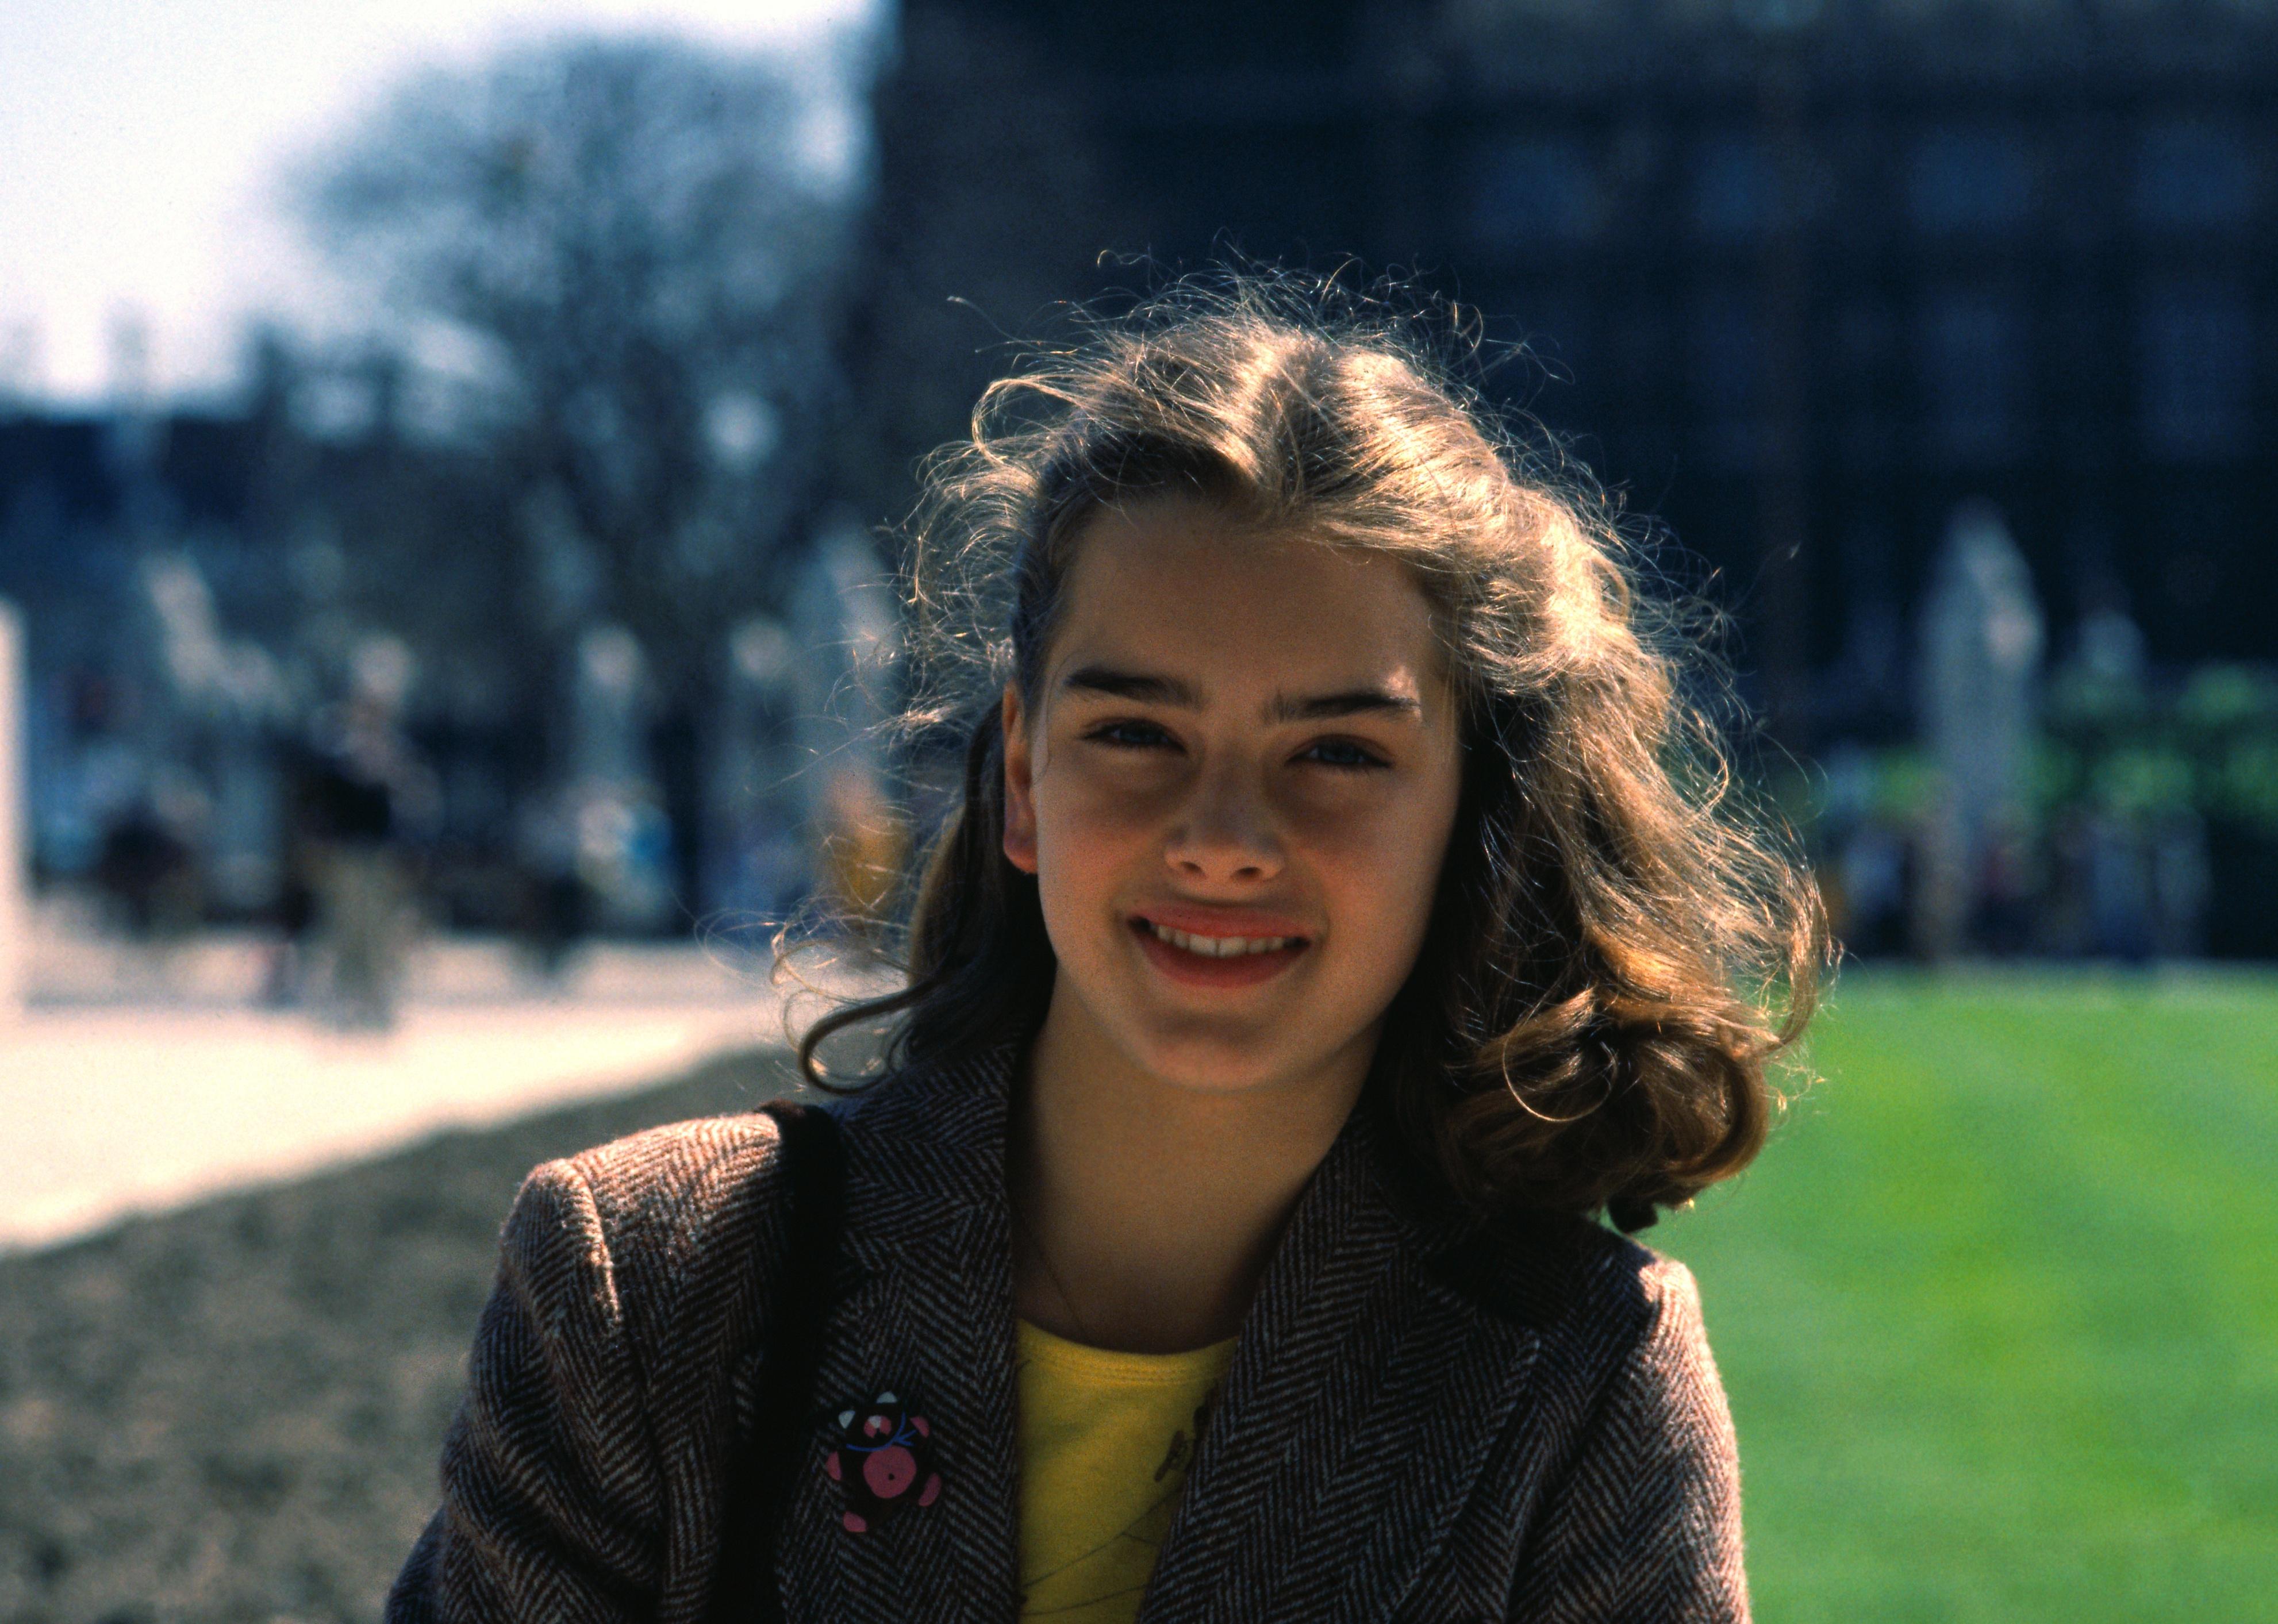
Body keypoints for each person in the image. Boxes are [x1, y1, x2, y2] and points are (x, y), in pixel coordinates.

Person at [388, 276, 1824, 1622]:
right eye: (1135, 733)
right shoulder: (650, 1285)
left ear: (1472, 813)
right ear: (1019, 776)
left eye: (1335, 751)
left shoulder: (1580, 1379)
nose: (1220, 836)